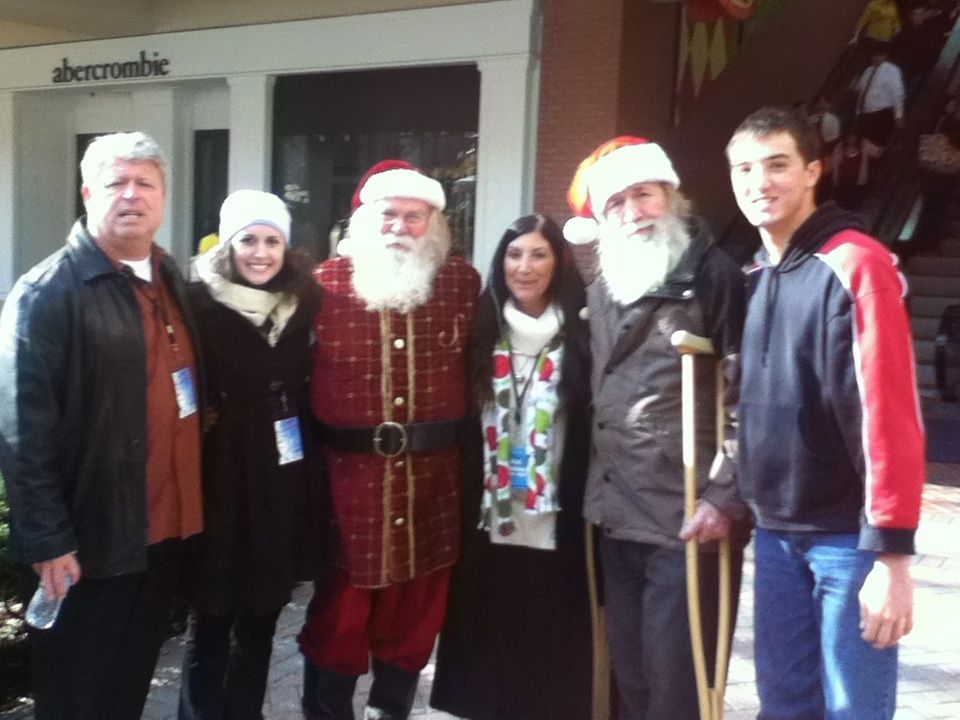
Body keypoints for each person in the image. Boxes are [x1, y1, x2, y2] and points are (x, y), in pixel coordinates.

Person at [726, 106, 925, 720]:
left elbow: (889, 414)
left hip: (848, 541)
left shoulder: (857, 264)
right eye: (744, 169)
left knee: (852, 711)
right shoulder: (754, 276)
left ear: (814, 170)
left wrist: (892, 558)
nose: (760, 182)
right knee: (783, 707)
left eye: (778, 164)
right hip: (776, 535)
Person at [0, 132, 203, 719]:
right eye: (118, 182)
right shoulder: (48, 292)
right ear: (89, 193)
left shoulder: (173, 280)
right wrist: (49, 540)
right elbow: (22, 431)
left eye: (146, 183)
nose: (132, 196)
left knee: (127, 686)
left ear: (163, 198)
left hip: (164, 533)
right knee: (76, 695)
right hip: (90, 541)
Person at [561, 136, 747, 720]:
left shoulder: (715, 276)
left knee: (678, 684)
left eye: (643, 195)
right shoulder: (604, 283)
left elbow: (750, 394)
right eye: (615, 203)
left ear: (671, 196)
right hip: (614, 512)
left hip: (684, 514)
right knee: (631, 676)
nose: (632, 212)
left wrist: (726, 495)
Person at [298, 160, 480, 720]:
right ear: (363, 220)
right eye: (389, 215)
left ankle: (391, 710)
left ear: (435, 224)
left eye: (415, 216)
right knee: (342, 610)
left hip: (433, 480)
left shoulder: (461, 284)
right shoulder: (319, 286)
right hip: (346, 481)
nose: (400, 226)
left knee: (418, 605)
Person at [430, 214, 595, 720]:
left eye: (538, 254)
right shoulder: (478, 331)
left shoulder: (584, 333)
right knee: (489, 632)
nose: (524, 267)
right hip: (488, 514)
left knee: (550, 637)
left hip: (556, 511)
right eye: (514, 254)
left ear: (558, 262)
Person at [177, 190, 321, 719]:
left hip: (280, 479)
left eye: (271, 241)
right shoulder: (196, 303)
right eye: (248, 240)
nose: (260, 253)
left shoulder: (304, 304)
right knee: (211, 618)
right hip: (218, 478)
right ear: (228, 245)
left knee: (262, 617)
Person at [852, 44, 906, 149]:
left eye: (878, 55)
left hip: (881, 115)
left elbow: (897, 93)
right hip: (864, 115)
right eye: (873, 56)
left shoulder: (892, 70)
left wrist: (898, 116)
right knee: (861, 146)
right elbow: (861, 91)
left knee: (874, 146)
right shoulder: (868, 71)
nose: (875, 58)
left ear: (885, 56)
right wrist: (858, 112)